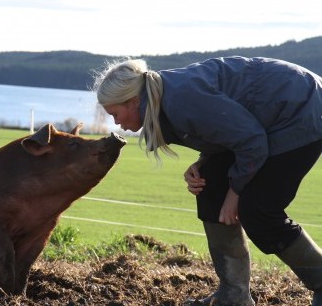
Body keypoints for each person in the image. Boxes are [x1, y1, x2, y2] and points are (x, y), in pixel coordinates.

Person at [93, 56, 322, 306]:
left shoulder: (180, 100)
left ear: (133, 100)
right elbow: (224, 128)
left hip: (300, 110)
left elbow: (251, 141)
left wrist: (235, 193)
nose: (116, 123)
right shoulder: (160, 96)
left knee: (258, 211)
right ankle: (234, 295)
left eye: (115, 113)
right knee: (209, 183)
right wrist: (204, 162)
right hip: (266, 120)